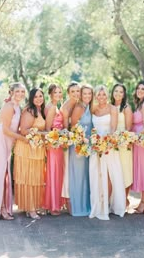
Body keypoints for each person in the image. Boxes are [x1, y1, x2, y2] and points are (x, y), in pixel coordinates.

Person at [89, 85, 126, 220]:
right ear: (96, 96)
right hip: (95, 147)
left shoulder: (112, 108)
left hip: (109, 146)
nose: (101, 97)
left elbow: (113, 128)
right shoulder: (93, 109)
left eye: (104, 94)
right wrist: (96, 143)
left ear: (107, 95)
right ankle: (99, 204)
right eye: (99, 95)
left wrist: (106, 144)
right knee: (97, 175)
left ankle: (109, 205)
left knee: (110, 175)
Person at [0, 82, 26, 220]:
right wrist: (21, 138)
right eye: (17, 91)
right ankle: (0, 209)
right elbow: (5, 129)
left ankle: (3, 207)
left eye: (22, 92)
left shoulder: (17, 107)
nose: (20, 94)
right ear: (11, 92)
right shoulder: (8, 107)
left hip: (8, 142)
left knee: (4, 175)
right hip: (1, 141)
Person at [13, 88, 46, 219]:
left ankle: (31, 206)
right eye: (36, 96)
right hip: (26, 149)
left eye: (41, 96)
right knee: (28, 177)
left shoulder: (40, 110)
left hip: (36, 148)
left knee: (34, 177)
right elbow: (24, 131)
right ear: (31, 98)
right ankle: (30, 208)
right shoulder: (29, 110)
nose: (39, 98)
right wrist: (43, 134)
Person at [69, 84, 93, 216]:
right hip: (78, 146)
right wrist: (80, 144)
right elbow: (73, 127)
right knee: (79, 176)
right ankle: (78, 207)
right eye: (85, 94)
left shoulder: (88, 107)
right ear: (81, 95)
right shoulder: (79, 108)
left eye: (90, 94)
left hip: (87, 146)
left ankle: (85, 204)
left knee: (85, 176)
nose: (87, 96)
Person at [111, 83, 133, 209]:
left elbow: (128, 128)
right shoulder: (110, 107)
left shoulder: (126, 108)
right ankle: (115, 200)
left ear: (124, 94)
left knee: (125, 172)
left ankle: (124, 200)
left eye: (121, 92)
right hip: (112, 144)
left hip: (124, 144)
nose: (118, 94)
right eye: (116, 91)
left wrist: (122, 140)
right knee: (115, 172)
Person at [44, 83, 65, 215]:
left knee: (56, 173)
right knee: (54, 173)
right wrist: (54, 140)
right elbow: (47, 128)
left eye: (59, 92)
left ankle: (53, 203)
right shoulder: (51, 107)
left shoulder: (54, 106)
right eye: (55, 92)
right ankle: (53, 206)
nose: (58, 95)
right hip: (54, 144)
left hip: (58, 143)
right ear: (50, 94)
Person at [132, 80, 144, 213]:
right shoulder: (139, 104)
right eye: (138, 88)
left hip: (142, 141)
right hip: (137, 141)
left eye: (143, 89)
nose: (140, 91)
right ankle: (142, 201)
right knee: (140, 169)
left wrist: (136, 137)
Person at [60, 82, 81, 210]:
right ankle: (67, 200)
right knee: (68, 170)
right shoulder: (66, 108)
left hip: (78, 141)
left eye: (77, 91)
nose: (75, 94)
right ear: (68, 93)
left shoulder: (79, 105)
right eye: (72, 91)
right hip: (68, 142)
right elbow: (65, 128)